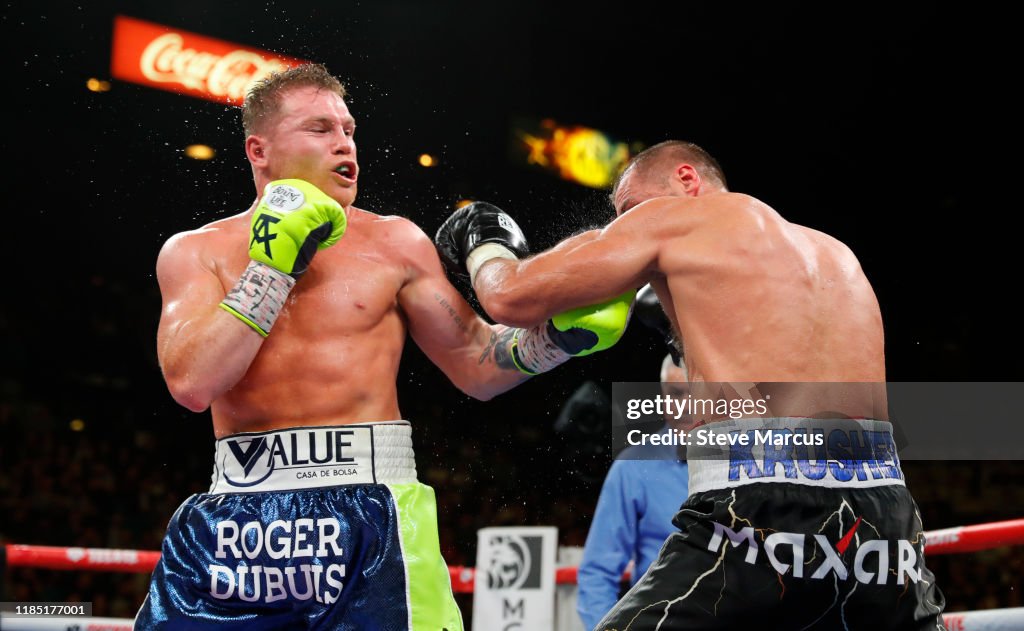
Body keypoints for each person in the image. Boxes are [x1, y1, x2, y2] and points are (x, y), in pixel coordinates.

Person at [135, 63, 633, 630]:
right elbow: (192, 383)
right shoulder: (195, 252)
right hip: (238, 522)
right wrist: (270, 265)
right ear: (259, 150)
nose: (344, 143)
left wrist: (557, 339)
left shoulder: (395, 243)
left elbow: (476, 364)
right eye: (320, 129)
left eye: (349, 129)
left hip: (373, 512)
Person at [435, 141, 946, 629]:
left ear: (686, 179)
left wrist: (485, 246)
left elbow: (510, 297)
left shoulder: (675, 221)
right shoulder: (837, 254)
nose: (624, 224)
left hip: (758, 507)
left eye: (630, 207)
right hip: (887, 521)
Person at [576, 351, 690, 631]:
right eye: (676, 395)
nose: (687, 406)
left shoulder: (749, 458)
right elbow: (598, 572)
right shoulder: (634, 466)